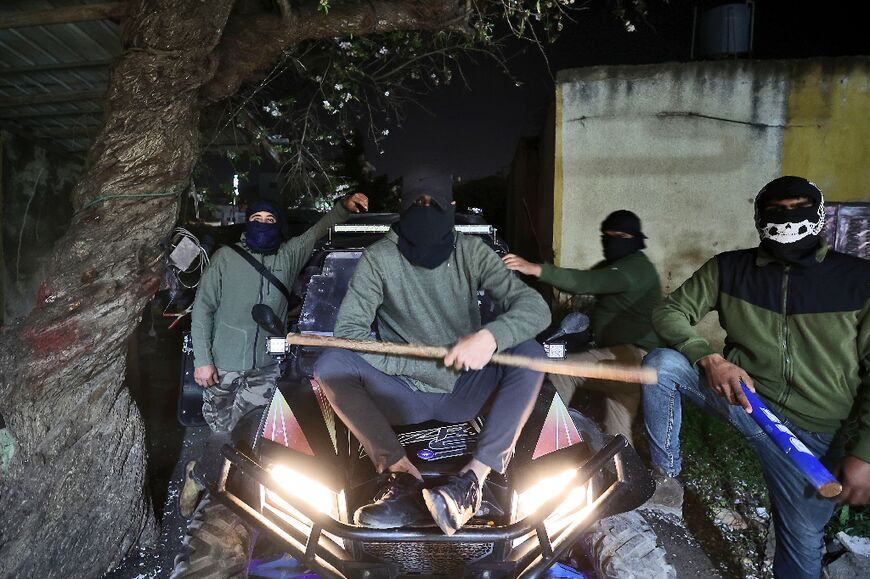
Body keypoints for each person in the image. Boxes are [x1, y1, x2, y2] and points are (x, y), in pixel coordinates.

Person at [642, 176, 870, 578]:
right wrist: (708, 358)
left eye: (799, 210)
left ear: (817, 215)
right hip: (746, 401)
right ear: (758, 218)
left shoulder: (856, 280)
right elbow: (669, 312)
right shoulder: (730, 268)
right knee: (662, 365)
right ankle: (666, 481)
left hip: (813, 436)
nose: (787, 221)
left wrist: (866, 453)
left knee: (800, 552)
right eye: (776, 212)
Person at [313, 168, 551, 535]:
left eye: (434, 204)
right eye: (416, 203)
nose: (425, 211)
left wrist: (490, 337)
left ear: (451, 206)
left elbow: (535, 309)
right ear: (402, 208)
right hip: (402, 395)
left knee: (531, 351)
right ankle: (400, 474)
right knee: (330, 363)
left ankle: (473, 481)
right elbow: (349, 333)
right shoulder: (379, 258)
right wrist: (417, 362)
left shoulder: (473, 252)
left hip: (464, 392)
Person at [190, 192, 368, 434]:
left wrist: (343, 207)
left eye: (270, 220)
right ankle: (219, 470)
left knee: (254, 432)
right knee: (220, 430)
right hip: (223, 367)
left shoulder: (289, 254)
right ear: (248, 221)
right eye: (257, 217)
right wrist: (202, 361)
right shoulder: (225, 258)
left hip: (266, 368)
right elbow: (203, 309)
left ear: (278, 224)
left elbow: (317, 231)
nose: (263, 223)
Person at [501, 210, 662, 445]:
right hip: (632, 359)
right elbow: (590, 279)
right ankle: (625, 476)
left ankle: (549, 448)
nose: (610, 241)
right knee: (617, 435)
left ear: (633, 239)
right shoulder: (622, 265)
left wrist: (536, 269)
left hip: (628, 356)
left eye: (618, 236)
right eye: (606, 235)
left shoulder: (634, 269)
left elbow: (586, 282)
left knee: (561, 371)